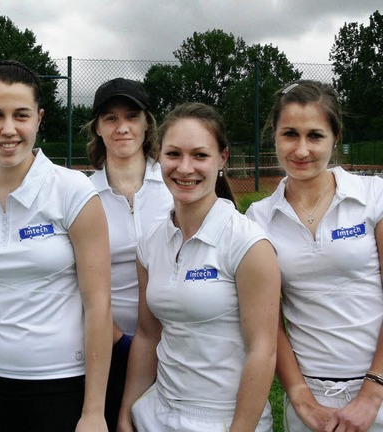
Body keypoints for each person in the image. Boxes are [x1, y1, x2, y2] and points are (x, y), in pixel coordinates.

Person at [0, 60, 112, 432]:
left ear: (39, 118)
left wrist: (93, 411)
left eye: (21, 115)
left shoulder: (74, 192)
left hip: (60, 386)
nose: (8, 129)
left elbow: (98, 306)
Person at [118, 102, 280, 432]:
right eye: (174, 154)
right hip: (156, 413)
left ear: (222, 159)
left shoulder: (249, 244)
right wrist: (125, 413)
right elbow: (148, 336)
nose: (185, 167)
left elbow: (262, 351)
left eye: (200, 155)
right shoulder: (150, 242)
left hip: (223, 418)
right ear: (159, 157)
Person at [246, 80, 383, 432]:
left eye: (315, 135)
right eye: (290, 134)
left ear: (335, 137)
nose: (302, 149)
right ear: (274, 136)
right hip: (312, 400)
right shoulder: (257, 218)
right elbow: (267, 319)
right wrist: (301, 397)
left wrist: (372, 392)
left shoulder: (374, 195)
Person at [85, 77, 172, 431]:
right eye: (110, 118)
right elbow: (74, 281)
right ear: (98, 129)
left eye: (131, 116)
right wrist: (119, 340)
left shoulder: (174, 184)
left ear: (146, 123)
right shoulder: (82, 194)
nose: (122, 127)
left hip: (176, 341)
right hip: (109, 343)